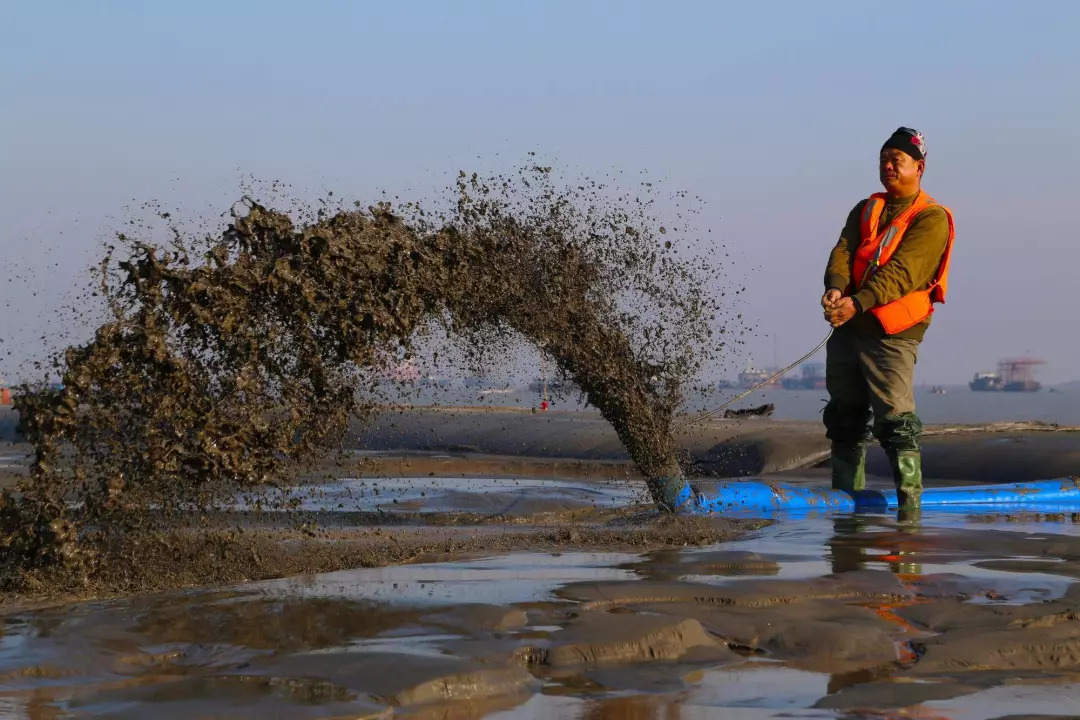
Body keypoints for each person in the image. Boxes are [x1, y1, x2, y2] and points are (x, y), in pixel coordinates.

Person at [821, 127, 955, 509]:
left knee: (896, 422)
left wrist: (858, 302)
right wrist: (835, 287)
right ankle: (847, 509)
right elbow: (843, 251)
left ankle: (909, 511)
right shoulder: (865, 209)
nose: (888, 166)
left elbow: (904, 273)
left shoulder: (931, 219)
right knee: (844, 417)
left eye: (897, 160)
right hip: (849, 326)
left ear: (920, 167)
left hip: (892, 333)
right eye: (884, 159)